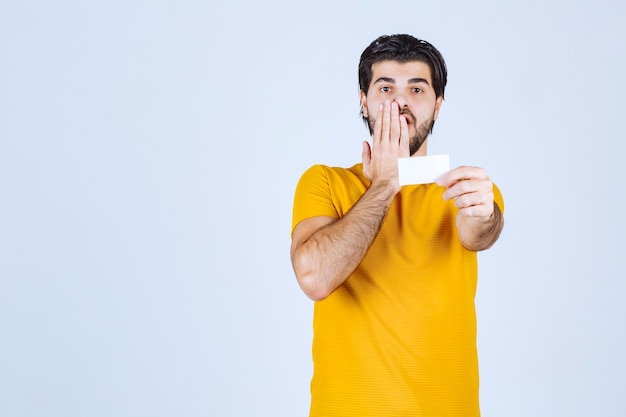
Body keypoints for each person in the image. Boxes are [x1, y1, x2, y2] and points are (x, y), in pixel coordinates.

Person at [290, 34, 504, 416]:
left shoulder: (466, 189)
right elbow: (315, 278)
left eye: (416, 88)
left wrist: (485, 217)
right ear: (364, 100)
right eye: (385, 87)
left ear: (437, 106)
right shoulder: (324, 182)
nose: (400, 101)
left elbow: (479, 232)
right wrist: (387, 182)